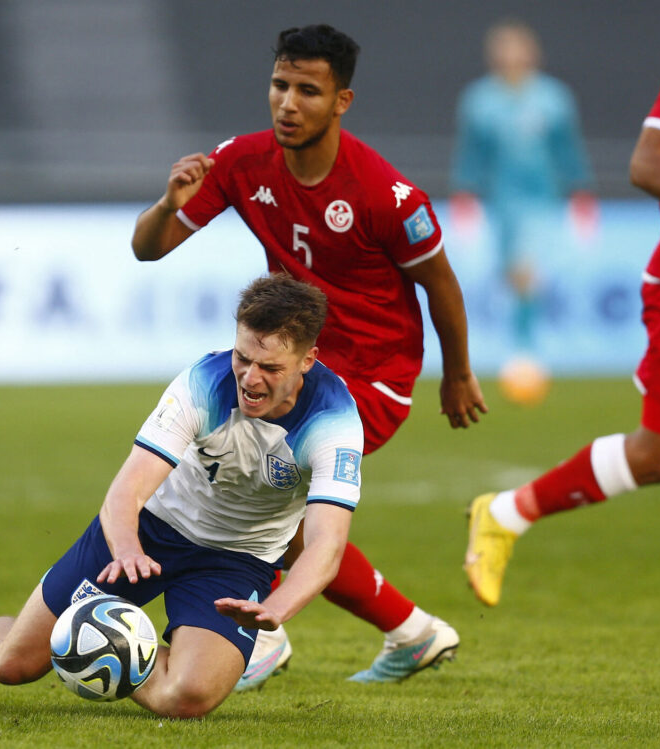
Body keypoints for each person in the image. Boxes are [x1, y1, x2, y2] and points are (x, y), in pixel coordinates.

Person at [131, 23, 484, 686]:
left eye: (308, 91)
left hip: (372, 378)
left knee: (259, 481)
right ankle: (410, 630)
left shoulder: (386, 194)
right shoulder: (242, 161)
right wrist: (164, 203)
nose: (288, 103)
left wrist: (457, 373)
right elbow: (150, 247)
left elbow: (441, 283)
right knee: (264, 493)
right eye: (280, 85)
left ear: (340, 101)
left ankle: (263, 636)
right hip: (295, 365)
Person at [0, 274, 376, 719]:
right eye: (242, 357)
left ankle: (98, 650)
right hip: (149, 531)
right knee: (14, 665)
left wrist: (278, 606)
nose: (249, 378)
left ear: (308, 361)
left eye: (269, 367)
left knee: (187, 699)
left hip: (237, 560)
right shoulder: (202, 383)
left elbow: (326, 545)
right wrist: (126, 548)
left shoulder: (334, 422)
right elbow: (126, 490)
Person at [465, 34, 660, 607]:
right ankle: (507, 513)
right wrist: (471, 196)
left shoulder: (552, 98)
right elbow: (647, 163)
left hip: (548, 199)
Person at [450, 20, 595, 376]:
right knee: (509, 273)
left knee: (526, 269)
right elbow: (470, 154)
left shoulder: (553, 98)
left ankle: (525, 350)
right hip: (500, 202)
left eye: (518, 48)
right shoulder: (479, 101)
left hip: (541, 200)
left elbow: (568, 150)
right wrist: (463, 194)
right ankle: (516, 342)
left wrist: (581, 191)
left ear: (533, 53)